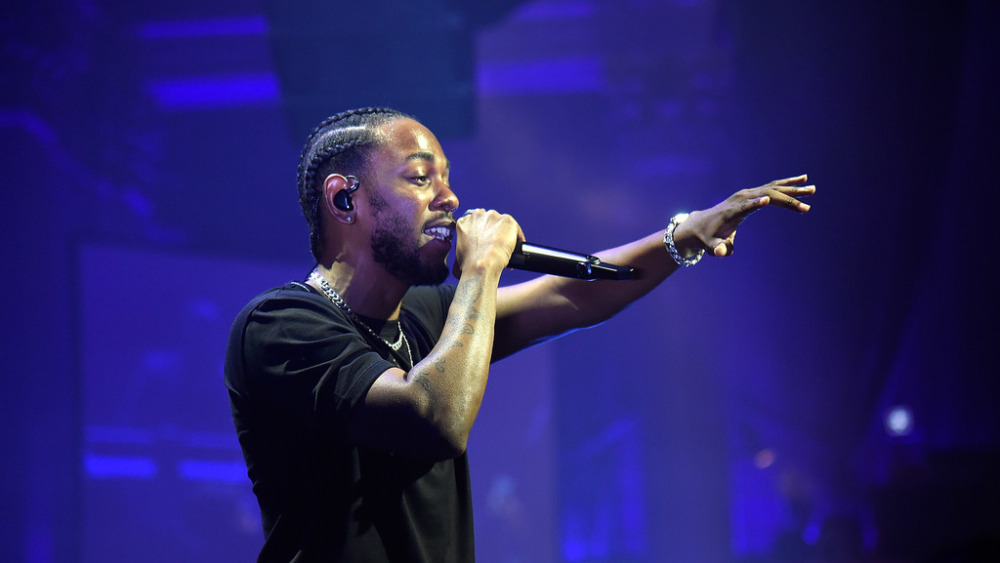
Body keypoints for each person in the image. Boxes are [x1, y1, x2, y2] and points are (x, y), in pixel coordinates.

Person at [224, 106, 815, 562]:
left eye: (447, 180)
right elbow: (436, 417)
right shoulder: (281, 325)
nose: (450, 199)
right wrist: (482, 267)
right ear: (344, 198)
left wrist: (682, 236)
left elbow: (573, 291)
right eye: (419, 178)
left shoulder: (427, 317)